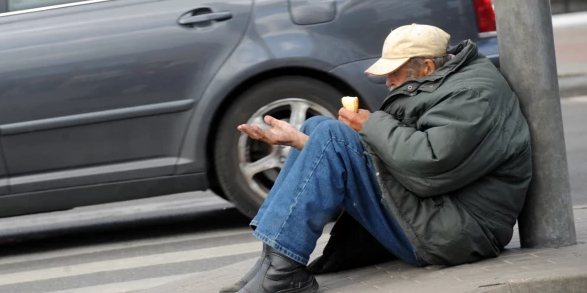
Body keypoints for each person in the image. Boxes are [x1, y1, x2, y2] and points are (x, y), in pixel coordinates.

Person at [220, 24, 532, 293]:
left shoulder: (471, 96)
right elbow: (398, 160)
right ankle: (273, 261)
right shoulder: (444, 83)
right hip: (440, 214)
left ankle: (281, 268)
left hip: (459, 232)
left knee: (331, 134)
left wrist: (372, 124)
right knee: (318, 129)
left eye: (393, 72)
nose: (387, 82)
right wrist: (300, 141)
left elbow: (428, 168)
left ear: (425, 67)